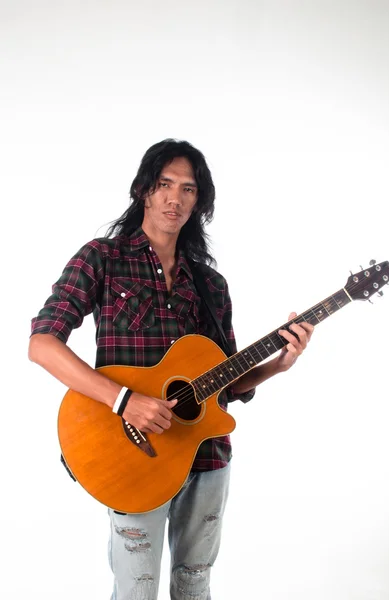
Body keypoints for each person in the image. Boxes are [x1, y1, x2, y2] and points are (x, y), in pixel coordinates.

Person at [29, 138, 314, 600]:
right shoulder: (102, 259)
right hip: (132, 456)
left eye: (188, 189)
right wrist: (124, 400)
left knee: (195, 581)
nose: (175, 198)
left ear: (199, 202)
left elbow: (227, 379)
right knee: (137, 587)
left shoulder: (210, 283)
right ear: (144, 189)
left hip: (206, 458)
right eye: (165, 184)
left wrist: (278, 365)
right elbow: (42, 343)